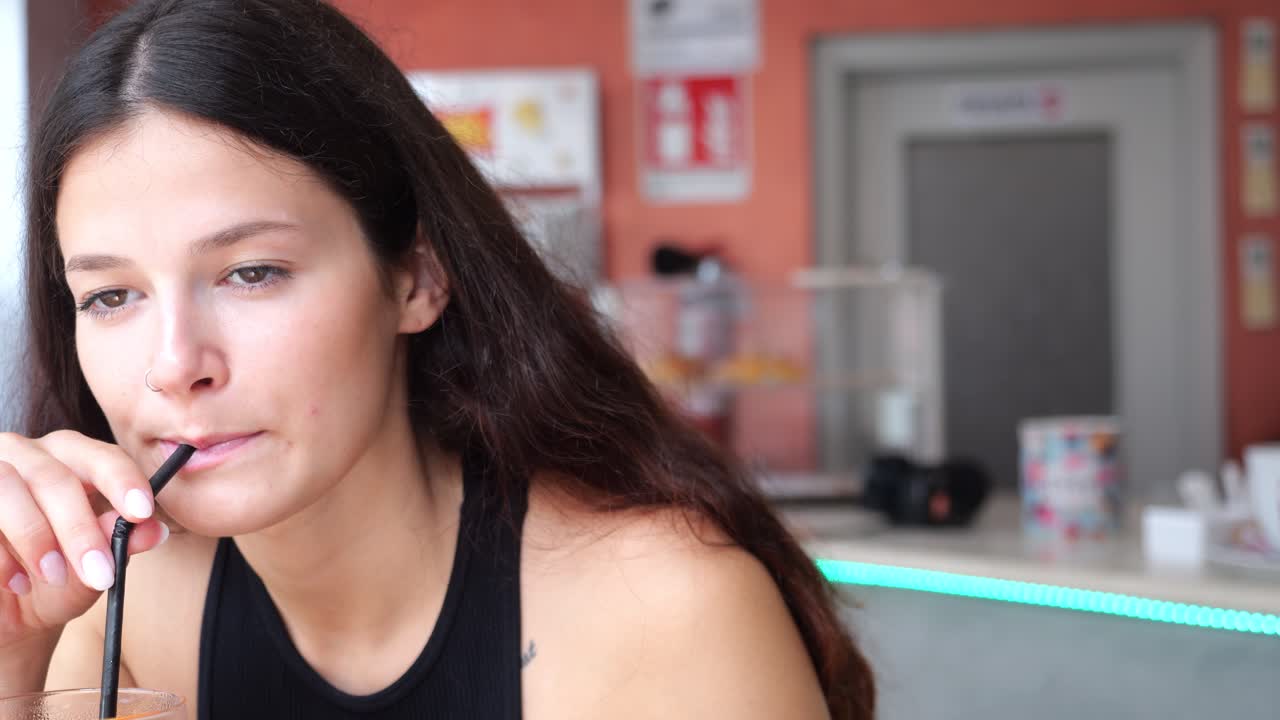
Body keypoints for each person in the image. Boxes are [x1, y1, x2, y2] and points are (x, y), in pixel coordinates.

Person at [0, 1, 876, 718]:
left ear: (417, 277)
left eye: (252, 272)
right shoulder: (117, 607)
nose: (173, 364)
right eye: (111, 296)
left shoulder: (667, 618)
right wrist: (10, 671)